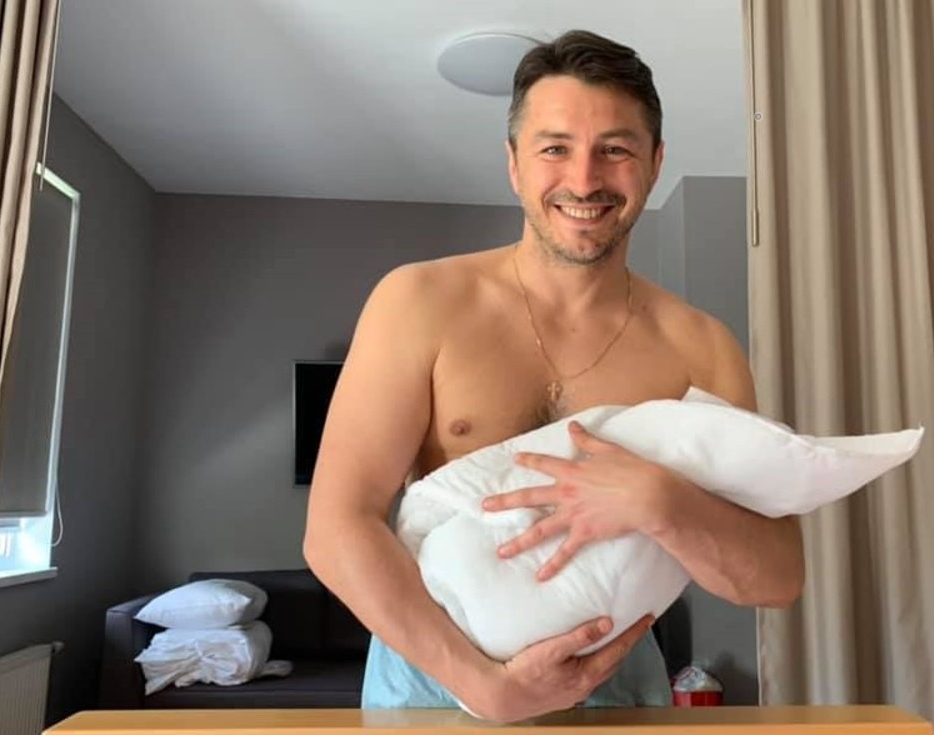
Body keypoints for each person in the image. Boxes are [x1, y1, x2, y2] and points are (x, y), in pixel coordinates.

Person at [303, 29, 804, 723]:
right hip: (433, 683)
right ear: (514, 164)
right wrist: (483, 685)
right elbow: (337, 527)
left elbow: (777, 575)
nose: (585, 179)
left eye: (616, 149)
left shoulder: (703, 350)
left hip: (618, 691)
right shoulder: (419, 302)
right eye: (555, 148)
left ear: (655, 163)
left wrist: (662, 501)